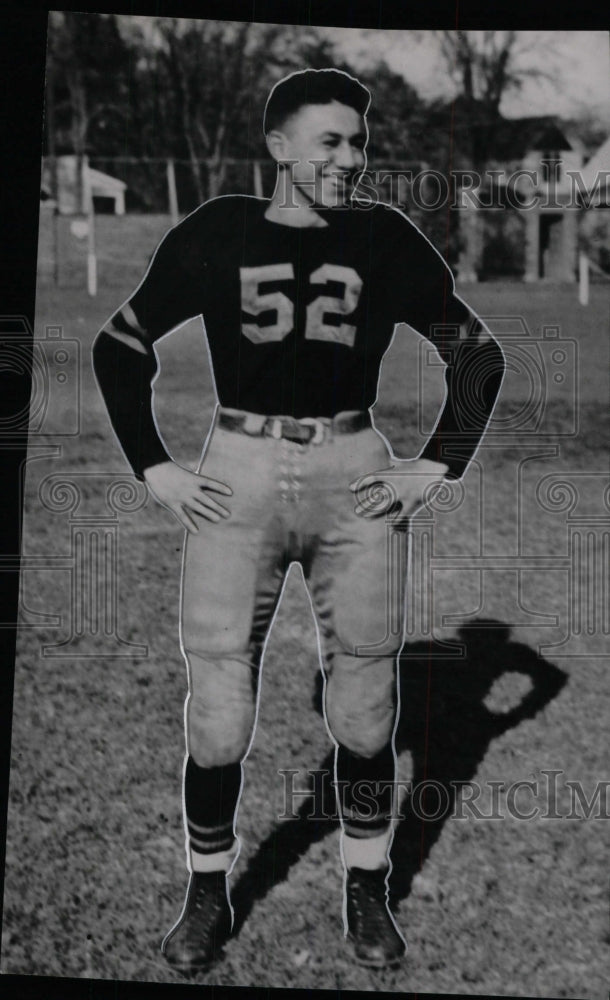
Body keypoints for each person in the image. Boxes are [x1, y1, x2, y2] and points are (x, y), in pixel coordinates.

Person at [92, 68, 505, 976]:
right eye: (331, 140)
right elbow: (119, 344)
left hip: (352, 469)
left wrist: (434, 465)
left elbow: (478, 355)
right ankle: (208, 888)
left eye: (359, 142)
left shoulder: (384, 238)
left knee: (364, 710)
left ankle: (366, 886)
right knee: (220, 717)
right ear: (278, 146)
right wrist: (154, 465)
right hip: (236, 470)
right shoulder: (219, 229)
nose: (351, 160)